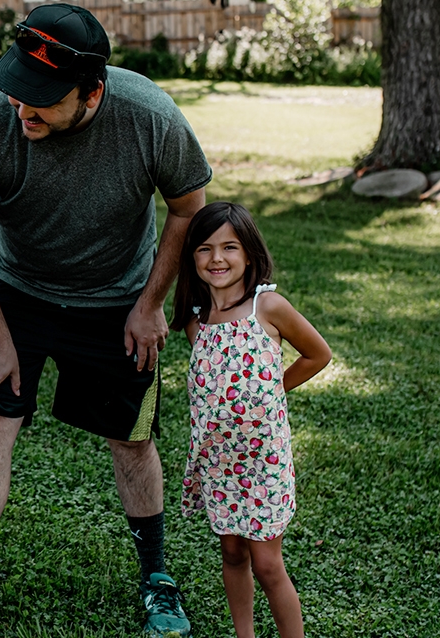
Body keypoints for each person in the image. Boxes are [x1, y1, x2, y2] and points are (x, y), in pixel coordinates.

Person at [0, 4, 211, 637]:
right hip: (13, 290)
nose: (24, 108)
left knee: (131, 438)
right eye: (20, 88)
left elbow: (189, 209)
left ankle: (157, 578)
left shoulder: (151, 117)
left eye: (45, 99)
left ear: (93, 92)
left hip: (117, 297)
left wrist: (151, 303)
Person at [170, 202, 330, 638]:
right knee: (233, 554)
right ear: (192, 259)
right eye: (204, 249)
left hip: (264, 461)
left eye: (229, 247)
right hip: (219, 462)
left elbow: (319, 354)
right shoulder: (197, 321)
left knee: (266, 563)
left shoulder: (268, 306)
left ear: (249, 254)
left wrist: (274, 389)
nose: (217, 259)